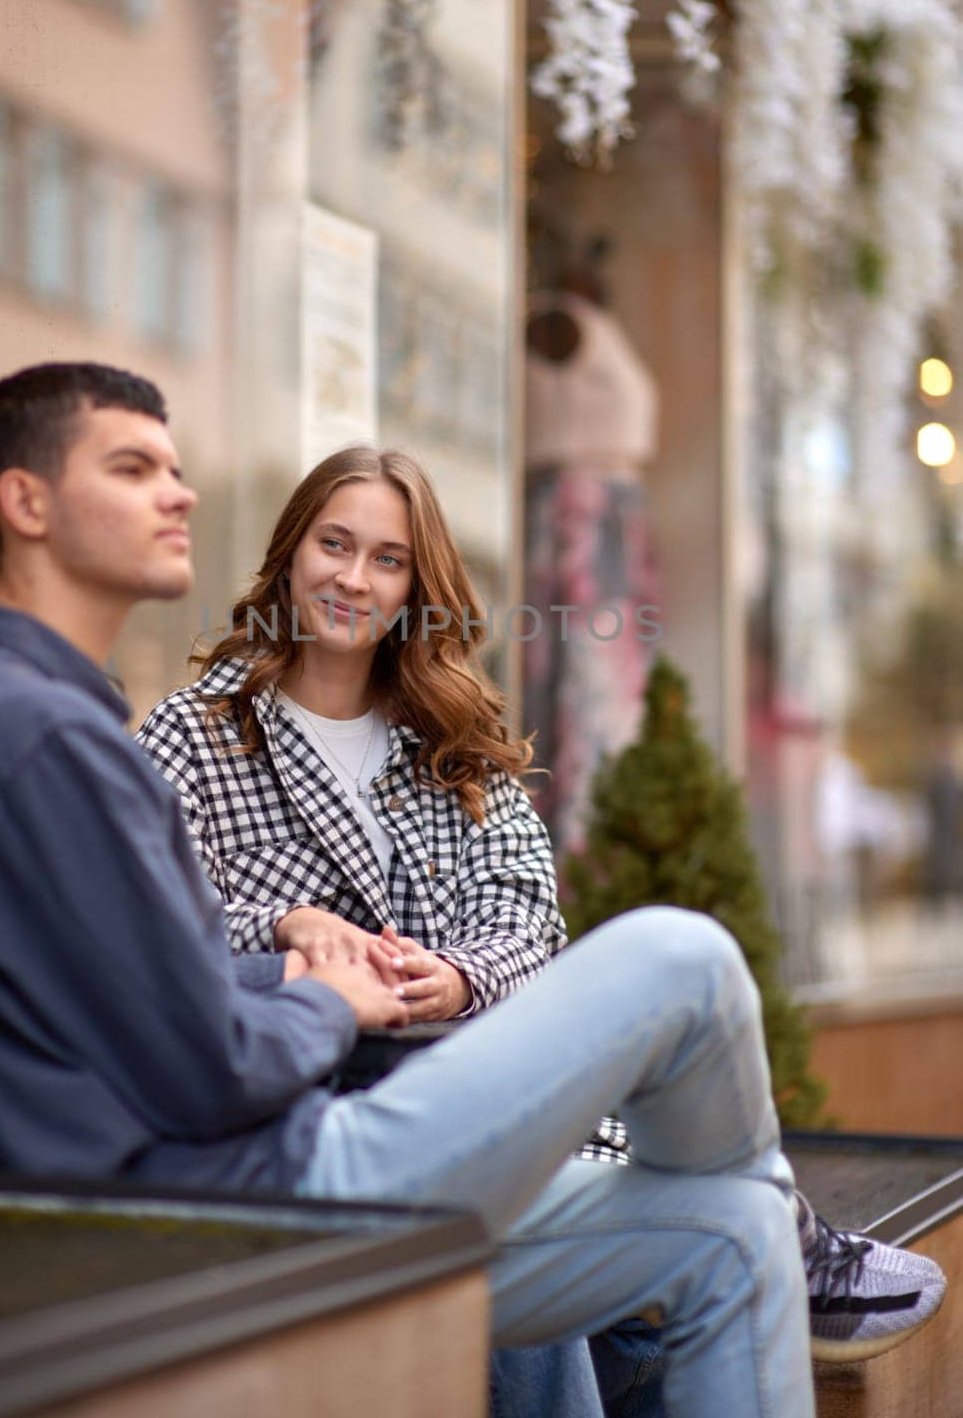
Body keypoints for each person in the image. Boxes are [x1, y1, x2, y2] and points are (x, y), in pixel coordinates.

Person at [0, 361, 862, 1418]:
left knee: (730, 1232)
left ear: (416, 588)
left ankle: (781, 1219)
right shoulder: (45, 738)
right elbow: (208, 1063)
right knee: (681, 956)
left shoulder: (34, 726)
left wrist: (311, 958)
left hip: (234, 1170)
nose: (180, 493)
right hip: (237, 1195)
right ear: (25, 503)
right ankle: (797, 1217)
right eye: (136, 468)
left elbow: (141, 988)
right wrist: (329, 994)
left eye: (177, 468)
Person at [137, 442, 948, 1385]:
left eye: (388, 559)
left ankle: (768, 1234)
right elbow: (154, 929)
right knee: (567, 1176)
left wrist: (458, 978)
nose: (354, 578)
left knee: (609, 1154)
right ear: (289, 555)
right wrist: (284, 925)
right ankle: (792, 1237)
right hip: (322, 1125)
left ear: (415, 589)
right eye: (334, 545)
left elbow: (529, 919)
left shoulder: (455, 746)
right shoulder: (193, 735)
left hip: (494, 1091)